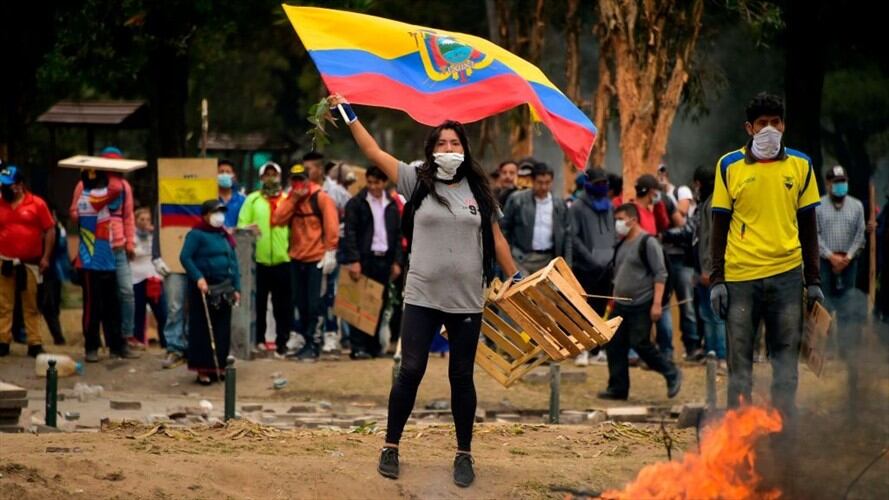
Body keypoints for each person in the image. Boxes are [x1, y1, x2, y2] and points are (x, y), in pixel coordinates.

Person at [328, 93, 520, 488]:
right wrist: (348, 113)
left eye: (455, 143)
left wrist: (516, 277)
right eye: (441, 143)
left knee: (461, 377)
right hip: (421, 296)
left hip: (467, 299)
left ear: (465, 149)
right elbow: (372, 149)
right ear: (431, 149)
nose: (448, 149)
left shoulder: (479, 191)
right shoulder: (416, 178)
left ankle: (464, 454)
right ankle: (390, 445)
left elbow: (497, 240)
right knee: (411, 369)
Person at [710, 92, 823, 418]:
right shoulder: (728, 165)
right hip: (741, 277)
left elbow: (809, 227)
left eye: (775, 122)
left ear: (784, 125)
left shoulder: (801, 165)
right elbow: (719, 226)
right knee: (739, 366)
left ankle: (782, 436)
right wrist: (717, 280)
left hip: (787, 277)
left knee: (786, 366)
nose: (769, 129)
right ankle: (738, 436)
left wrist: (813, 280)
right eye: (762, 123)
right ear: (749, 127)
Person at [598, 203, 682, 401]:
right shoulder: (622, 243)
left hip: (641, 303)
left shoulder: (648, 242)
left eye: (621, 219)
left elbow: (660, 273)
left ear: (633, 220)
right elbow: (618, 275)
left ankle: (671, 372)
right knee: (615, 344)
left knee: (640, 344)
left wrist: (656, 304)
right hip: (620, 303)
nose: (618, 223)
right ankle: (618, 387)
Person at [70, 147, 139, 351]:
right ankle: (93, 343)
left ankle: (121, 340)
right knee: (95, 301)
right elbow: (74, 212)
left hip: (116, 248)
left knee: (122, 295)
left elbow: (128, 216)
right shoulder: (84, 187)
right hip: (93, 251)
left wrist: (130, 242)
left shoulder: (121, 186)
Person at [271, 163, 339, 361]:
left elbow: (332, 226)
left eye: (301, 179)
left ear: (308, 179)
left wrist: (330, 252)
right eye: (294, 179)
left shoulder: (321, 198)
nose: (298, 183)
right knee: (299, 303)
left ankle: (313, 343)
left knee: (314, 304)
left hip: (316, 260)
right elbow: (278, 219)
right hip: (296, 258)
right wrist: (293, 199)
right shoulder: (292, 199)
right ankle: (305, 341)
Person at [340, 165, 403, 359]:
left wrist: (397, 262)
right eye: (370, 182)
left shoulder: (392, 205)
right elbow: (349, 233)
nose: (373, 186)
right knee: (359, 303)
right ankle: (358, 347)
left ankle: (374, 346)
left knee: (379, 303)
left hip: (385, 259)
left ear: (385, 183)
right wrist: (354, 260)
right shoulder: (356, 203)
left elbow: (398, 235)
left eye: (377, 182)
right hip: (364, 258)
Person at [180, 200, 241, 385]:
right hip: (204, 286)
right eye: (215, 212)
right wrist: (198, 277)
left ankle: (219, 366)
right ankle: (202, 370)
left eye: (222, 212)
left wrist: (236, 287)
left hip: (224, 286)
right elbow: (185, 257)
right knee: (203, 329)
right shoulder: (196, 234)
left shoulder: (224, 236)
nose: (219, 216)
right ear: (206, 214)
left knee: (222, 329)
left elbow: (233, 262)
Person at [237, 162, 292, 358]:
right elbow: (241, 225)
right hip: (258, 261)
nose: (270, 178)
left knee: (282, 305)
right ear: (261, 178)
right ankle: (258, 339)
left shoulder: (288, 200)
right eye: (266, 175)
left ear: (279, 177)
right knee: (258, 303)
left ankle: (282, 342)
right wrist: (249, 228)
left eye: (273, 175)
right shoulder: (252, 200)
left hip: (283, 260)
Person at [0, 166, 55, 357]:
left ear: (20, 185)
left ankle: (34, 342)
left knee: (31, 304)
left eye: (8, 185)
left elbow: (50, 229)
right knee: (4, 303)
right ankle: (3, 340)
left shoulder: (37, 204)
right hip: (4, 261)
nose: (4, 188)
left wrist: (46, 257)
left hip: (30, 262)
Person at [816, 165, 866, 361]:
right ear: (828, 184)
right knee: (825, 304)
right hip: (826, 260)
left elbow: (860, 235)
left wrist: (848, 257)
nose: (840, 186)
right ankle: (825, 350)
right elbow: (815, 235)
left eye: (842, 182)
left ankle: (845, 350)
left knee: (848, 304)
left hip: (849, 261)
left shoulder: (857, 206)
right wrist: (830, 256)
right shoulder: (818, 206)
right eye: (836, 183)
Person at [569, 167, 615, 366]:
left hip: (608, 267)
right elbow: (574, 238)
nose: (602, 186)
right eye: (598, 183)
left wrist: (612, 258)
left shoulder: (610, 206)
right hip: (586, 268)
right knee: (583, 309)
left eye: (604, 183)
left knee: (602, 308)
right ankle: (582, 350)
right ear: (588, 185)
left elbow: (613, 233)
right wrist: (590, 260)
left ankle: (599, 349)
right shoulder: (577, 207)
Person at [501, 162, 572, 275]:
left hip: (548, 260)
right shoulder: (517, 200)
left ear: (552, 182)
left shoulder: (559, 204)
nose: (544, 187)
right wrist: (508, 255)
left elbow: (568, 235)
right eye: (540, 182)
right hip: (521, 259)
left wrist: (567, 264)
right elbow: (504, 229)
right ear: (533, 181)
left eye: (547, 183)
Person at [131, 207, 167, 346]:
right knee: (138, 314)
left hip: (154, 279)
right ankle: (139, 342)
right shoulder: (131, 236)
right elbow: (134, 253)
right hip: (136, 278)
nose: (145, 222)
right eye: (141, 219)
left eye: (147, 219)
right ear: (135, 221)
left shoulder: (155, 236)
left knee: (162, 313)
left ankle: (166, 343)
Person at [217, 159, 245, 229]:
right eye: (221, 172)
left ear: (234, 176)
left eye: (228, 172)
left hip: (235, 239)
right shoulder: (211, 199)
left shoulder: (242, 200)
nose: (224, 174)